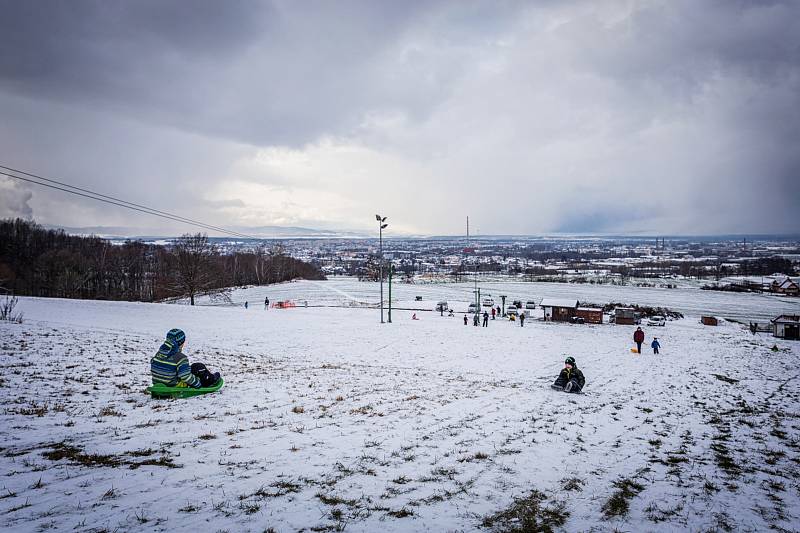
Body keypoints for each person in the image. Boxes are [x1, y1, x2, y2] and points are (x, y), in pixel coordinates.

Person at [151, 329, 220, 388]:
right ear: (181, 343)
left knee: (190, 367)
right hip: (174, 385)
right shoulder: (180, 357)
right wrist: (198, 384)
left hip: (158, 383)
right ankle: (211, 379)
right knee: (198, 367)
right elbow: (185, 376)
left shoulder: (159, 353)